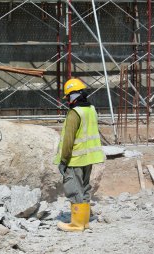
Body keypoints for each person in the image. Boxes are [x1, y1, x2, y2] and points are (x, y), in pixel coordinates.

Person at [54, 78, 105, 232]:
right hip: (89, 158)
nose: (67, 100)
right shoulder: (91, 109)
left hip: (75, 159)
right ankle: (84, 222)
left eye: (68, 96)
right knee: (84, 188)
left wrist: (63, 160)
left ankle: (76, 225)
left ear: (73, 95)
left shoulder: (74, 113)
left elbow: (68, 140)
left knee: (74, 189)